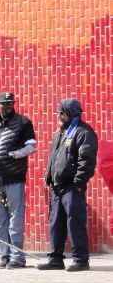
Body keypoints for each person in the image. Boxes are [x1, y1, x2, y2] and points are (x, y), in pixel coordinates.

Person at [38, 99, 98, 272]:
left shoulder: (83, 132)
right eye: (58, 112)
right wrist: (48, 177)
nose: (58, 116)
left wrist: (79, 182)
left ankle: (80, 259)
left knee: (75, 222)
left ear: (72, 113)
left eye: (62, 112)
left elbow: (87, 160)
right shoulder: (61, 133)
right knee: (55, 222)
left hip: (72, 186)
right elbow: (54, 157)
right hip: (57, 186)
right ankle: (55, 258)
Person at [0, 92, 37, 269]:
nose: (7, 106)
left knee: (15, 219)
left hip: (14, 177)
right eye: (4, 103)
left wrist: (15, 154)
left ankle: (17, 257)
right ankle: (4, 255)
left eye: (10, 103)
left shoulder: (23, 123)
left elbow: (31, 147)